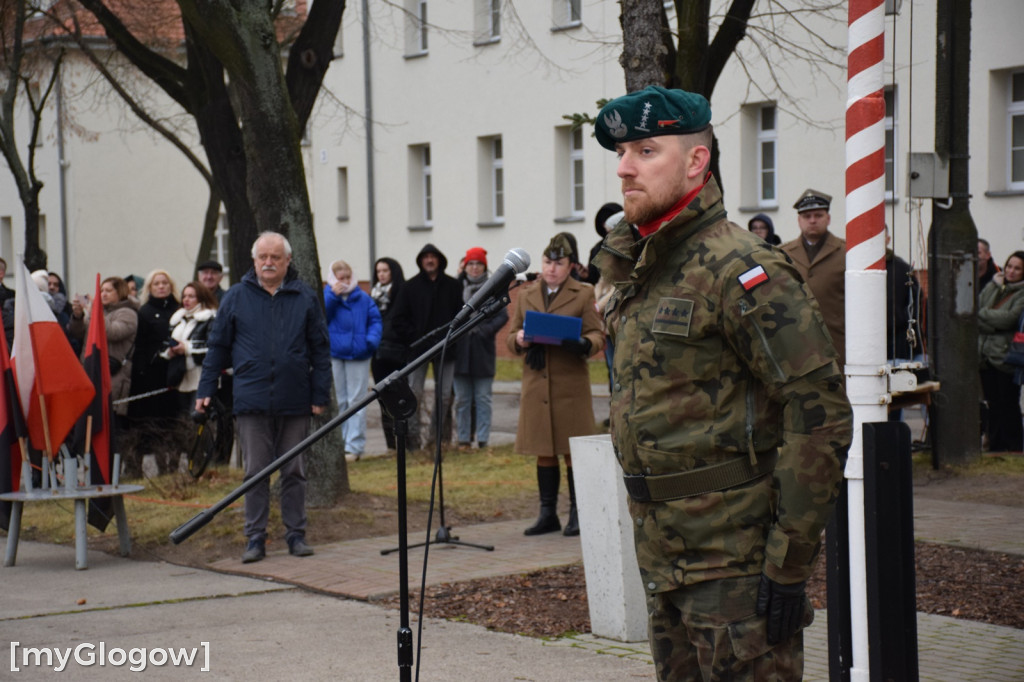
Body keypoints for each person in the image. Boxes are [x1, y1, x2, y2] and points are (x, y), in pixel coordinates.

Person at [592, 85, 851, 680]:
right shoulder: (643, 266)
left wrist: (788, 563)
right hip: (664, 556)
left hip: (736, 567)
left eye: (645, 150)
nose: (624, 168)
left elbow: (820, 414)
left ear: (695, 161)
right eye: (621, 153)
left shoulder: (740, 267)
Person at [196, 231, 330, 563]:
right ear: (254, 261)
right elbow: (218, 347)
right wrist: (205, 389)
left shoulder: (304, 297)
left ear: (287, 261)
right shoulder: (237, 297)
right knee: (255, 471)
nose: (268, 263)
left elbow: (320, 349)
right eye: (262, 258)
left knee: (294, 471)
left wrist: (319, 393)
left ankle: (296, 535)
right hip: (251, 399)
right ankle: (255, 538)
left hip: (295, 399)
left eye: (275, 257)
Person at [507, 234, 604, 538]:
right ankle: (547, 513)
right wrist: (520, 340)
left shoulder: (584, 293)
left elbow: (597, 335)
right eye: (547, 262)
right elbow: (511, 337)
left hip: (569, 385)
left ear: (571, 265)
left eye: (558, 263)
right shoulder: (526, 294)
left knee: (572, 450)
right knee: (543, 450)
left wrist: (583, 343)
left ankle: (578, 512)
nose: (551, 269)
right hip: (537, 384)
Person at [388, 243, 463, 450]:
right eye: (426, 257)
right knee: (414, 394)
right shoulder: (410, 287)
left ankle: (437, 441)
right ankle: (412, 441)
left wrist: (451, 337)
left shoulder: (453, 286)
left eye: (433, 256)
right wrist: (415, 337)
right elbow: (397, 320)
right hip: (418, 351)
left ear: (439, 260)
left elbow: (461, 316)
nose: (430, 260)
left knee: (445, 395)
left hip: (446, 349)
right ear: (421, 261)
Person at [781, 189, 847, 366]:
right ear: (799, 221)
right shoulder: (783, 254)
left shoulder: (846, 253)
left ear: (828, 218)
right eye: (807, 216)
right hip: (798, 347)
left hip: (838, 344)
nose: (812, 220)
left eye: (818, 215)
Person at [324, 259, 382, 460]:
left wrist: (370, 341)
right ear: (333, 279)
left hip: (359, 353)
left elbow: (375, 320)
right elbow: (322, 316)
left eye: (348, 277)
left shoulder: (363, 298)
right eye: (341, 278)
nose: (346, 281)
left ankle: (355, 446)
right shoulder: (327, 296)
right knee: (339, 399)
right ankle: (340, 443)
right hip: (336, 353)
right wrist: (333, 296)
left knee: (357, 400)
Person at [453, 247, 509, 450]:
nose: (474, 268)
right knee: (462, 400)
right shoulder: (457, 287)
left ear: (484, 266)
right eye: (471, 264)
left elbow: (503, 316)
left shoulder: (493, 288)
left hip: (483, 352)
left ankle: (483, 439)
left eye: (478, 264)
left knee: (483, 398)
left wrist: (484, 331)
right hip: (460, 352)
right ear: (465, 266)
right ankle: (463, 439)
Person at [128, 269, 181, 475]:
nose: (161, 287)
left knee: (174, 424)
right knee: (155, 424)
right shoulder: (145, 312)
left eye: (165, 283)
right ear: (149, 288)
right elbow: (140, 346)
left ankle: (175, 468)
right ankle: (160, 467)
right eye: (156, 284)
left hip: (176, 374)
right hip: (153, 376)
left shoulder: (178, 310)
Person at [69, 277, 138, 430]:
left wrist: (95, 311)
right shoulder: (98, 313)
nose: (103, 294)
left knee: (110, 427)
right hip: (90, 373)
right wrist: (78, 316)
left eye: (108, 291)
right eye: (101, 291)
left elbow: (112, 332)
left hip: (114, 377)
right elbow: (77, 333)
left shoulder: (128, 313)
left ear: (120, 292)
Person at [978, 251, 1024, 452]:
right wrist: (991, 320)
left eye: (1017, 268)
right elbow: (975, 312)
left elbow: (1010, 319)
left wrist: (984, 317)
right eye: (1009, 266)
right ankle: (995, 447)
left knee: (1009, 404)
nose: (1011, 271)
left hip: (1006, 356)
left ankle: (1014, 447)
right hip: (985, 355)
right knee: (992, 405)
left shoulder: (1021, 293)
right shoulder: (992, 285)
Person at [163, 281, 218, 413]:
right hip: (180, 376)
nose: (186, 300)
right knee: (183, 422)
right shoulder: (178, 319)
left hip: (201, 376)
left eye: (191, 296)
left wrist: (187, 348)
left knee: (197, 418)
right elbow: (166, 342)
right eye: (184, 296)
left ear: (201, 297)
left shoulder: (210, 318)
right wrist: (170, 352)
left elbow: (213, 347)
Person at [369, 257, 407, 450]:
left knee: (400, 398)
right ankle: (390, 445)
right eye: (379, 271)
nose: (381, 274)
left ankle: (404, 442)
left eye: (385, 270)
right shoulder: (373, 295)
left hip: (398, 354)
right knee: (383, 398)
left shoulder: (402, 292)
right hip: (378, 356)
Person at [582, 202, 623, 285]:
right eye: (604, 223)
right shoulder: (597, 250)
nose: (606, 227)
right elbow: (593, 281)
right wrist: (586, 277)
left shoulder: (634, 244)